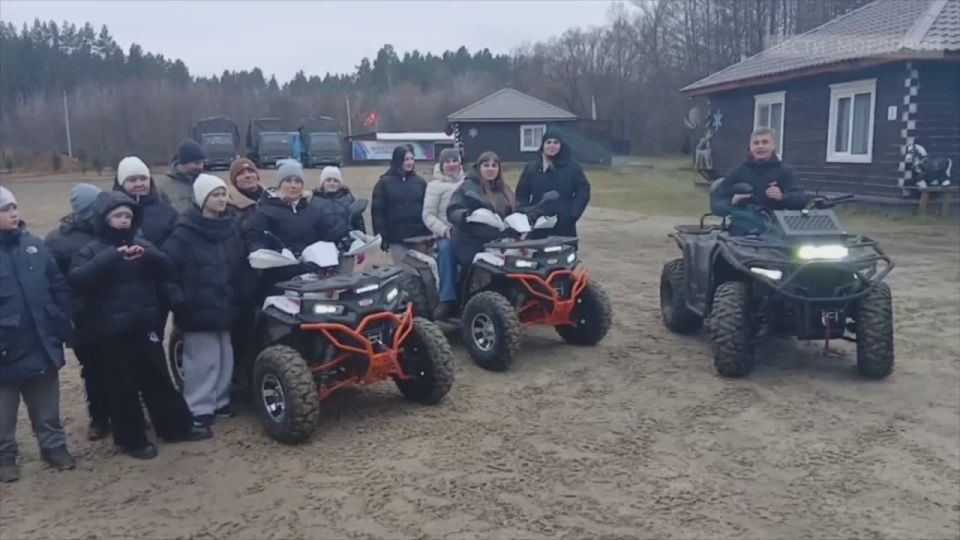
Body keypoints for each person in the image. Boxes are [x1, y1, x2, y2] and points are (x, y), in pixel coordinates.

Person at [69, 192, 211, 460]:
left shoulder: (142, 244)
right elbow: (78, 279)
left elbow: (167, 267)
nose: (123, 221)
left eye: (127, 216)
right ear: (103, 219)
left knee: (158, 379)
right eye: (117, 216)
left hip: (145, 324)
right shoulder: (89, 250)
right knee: (122, 387)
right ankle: (132, 440)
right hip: (111, 331)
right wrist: (112, 257)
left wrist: (147, 256)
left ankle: (176, 427)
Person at [0, 186, 75, 483]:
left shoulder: (35, 245)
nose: (13, 212)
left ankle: (53, 447)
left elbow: (57, 284)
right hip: (6, 346)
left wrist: (61, 319)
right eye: (5, 209)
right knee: (4, 411)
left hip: (40, 339)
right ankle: (5, 456)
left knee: (46, 403)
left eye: (14, 206)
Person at [164, 175, 242, 426]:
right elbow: (168, 270)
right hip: (196, 306)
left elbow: (238, 263)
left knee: (224, 355)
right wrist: (179, 300)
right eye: (214, 195)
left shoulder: (230, 228)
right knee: (201, 359)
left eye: (222, 194)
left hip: (225, 302)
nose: (220, 200)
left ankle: (220, 399)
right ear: (202, 199)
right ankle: (199, 406)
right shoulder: (184, 232)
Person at [44, 183, 112, 441]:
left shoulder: (109, 229)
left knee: (119, 365)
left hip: (114, 311)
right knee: (93, 369)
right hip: (84, 318)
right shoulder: (57, 241)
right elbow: (54, 283)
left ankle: (122, 412)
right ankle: (99, 417)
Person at [245, 160, 328, 285]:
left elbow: (324, 237)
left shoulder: (313, 210)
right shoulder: (265, 211)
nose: (293, 186)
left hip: (311, 276)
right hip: (279, 276)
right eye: (288, 181)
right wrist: (261, 252)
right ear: (280, 183)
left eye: (297, 181)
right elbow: (255, 238)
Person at [711, 127, 806, 217]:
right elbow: (717, 204)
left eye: (765, 142)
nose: (760, 146)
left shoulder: (785, 171)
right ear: (751, 147)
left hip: (775, 227)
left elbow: (801, 201)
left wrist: (782, 197)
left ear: (773, 146)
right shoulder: (739, 172)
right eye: (756, 143)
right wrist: (732, 202)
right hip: (743, 226)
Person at [446, 151, 517, 268]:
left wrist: (529, 215)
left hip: (500, 242)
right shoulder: (467, 187)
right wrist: (465, 215)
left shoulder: (505, 190)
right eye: (486, 165)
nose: (490, 169)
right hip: (472, 241)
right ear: (479, 168)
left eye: (494, 166)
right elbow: (453, 209)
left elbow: (515, 210)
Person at [516, 130, 591, 240]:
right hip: (538, 223)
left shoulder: (572, 167)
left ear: (561, 145)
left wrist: (573, 213)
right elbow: (521, 193)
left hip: (564, 224)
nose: (552, 145)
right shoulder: (532, 168)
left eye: (555, 142)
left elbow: (583, 190)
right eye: (548, 142)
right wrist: (527, 211)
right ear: (543, 145)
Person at [422, 148, 464, 319]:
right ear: (441, 165)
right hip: (446, 234)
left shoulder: (467, 182)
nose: (452, 165)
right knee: (447, 251)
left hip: (467, 232)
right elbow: (428, 215)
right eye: (448, 161)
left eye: (455, 161)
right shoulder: (434, 186)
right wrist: (444, 230)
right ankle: (447, 299)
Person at [371, 146, 430, 264]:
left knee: (421, 272)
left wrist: (429, 233)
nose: (410, 162)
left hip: (418, 237)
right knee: (404, 272)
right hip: (397, 238)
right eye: (406, 159)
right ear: (398, 160)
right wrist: (382, 237)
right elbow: (378, 213)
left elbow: (427, 209)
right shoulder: (384, 183)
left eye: (412, 159)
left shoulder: (420, 183)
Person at [310, 166, 366, 272]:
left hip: (347, 247)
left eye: (335, 181)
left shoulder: (348, 198)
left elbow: (357, 220)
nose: (332, 183)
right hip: (323, 248)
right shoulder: (314, 200)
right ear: (323, 182)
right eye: (328, 180)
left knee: (347, 276)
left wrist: (361, 241)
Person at [114, 156, 177, 246]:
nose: (139, 184)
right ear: (121, 184)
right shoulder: (109, 212)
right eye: (132, 180)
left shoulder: (167, 212)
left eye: (143, 179)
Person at [156, 138, 206, 213]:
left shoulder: (206, 182)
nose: (201, 167)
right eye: (197, 163)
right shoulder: (163, 187)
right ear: (184, 162)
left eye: (202, 163)